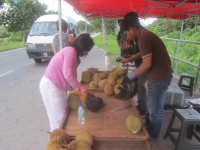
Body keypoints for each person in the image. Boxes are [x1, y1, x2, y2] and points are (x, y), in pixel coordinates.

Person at [121, 12, 173, 141]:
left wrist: (133, 74)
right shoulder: (144, 35)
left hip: (158, 78)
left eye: (127, 34)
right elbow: (144, 53)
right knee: (153, 107)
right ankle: (150, 128)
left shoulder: (143, 38)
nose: (128, 37)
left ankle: (152, 137)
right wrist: (131, 59)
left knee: (156, 110)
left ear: (132, 29)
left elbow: (147, 63)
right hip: (160, 75)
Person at [39, 34, 94, 131]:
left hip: (57, 87)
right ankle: (58, 142)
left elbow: (72, 74)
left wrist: (76, 89)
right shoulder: (71, 51)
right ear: (83, 47)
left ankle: (59, 140)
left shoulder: (72, 53)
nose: (87, 53)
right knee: (59, 120)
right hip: (50, 86)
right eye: (87, 50)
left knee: (63, 115)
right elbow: (68, 74)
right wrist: (80, 87)